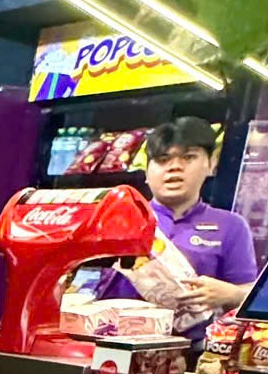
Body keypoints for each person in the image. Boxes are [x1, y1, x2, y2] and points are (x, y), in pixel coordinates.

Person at [94, 117, 258, 344]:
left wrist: (230, 294)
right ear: (147, 171)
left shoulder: (232, 226)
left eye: (188, 157)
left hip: (191, 351)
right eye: (163, 159)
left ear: (211, 163)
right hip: (108, 345)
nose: (174, 167)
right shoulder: (114, 220)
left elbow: (251, 296)